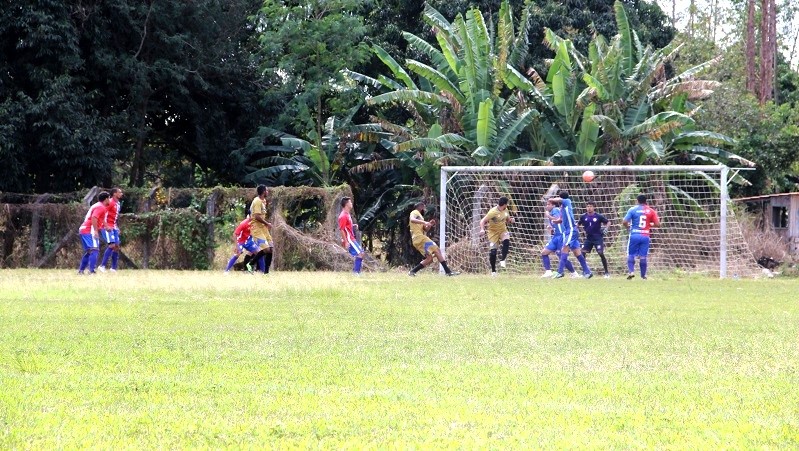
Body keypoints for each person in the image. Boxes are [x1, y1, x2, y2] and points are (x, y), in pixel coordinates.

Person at [407, 201, 459, 277]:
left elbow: (425, 229)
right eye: (424, 207)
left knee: (430, 258)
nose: (424, 209)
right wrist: (425, 222)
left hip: (417, 239)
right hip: (420, 238)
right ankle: (448, 272)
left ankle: (412, 272)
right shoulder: (414, 212)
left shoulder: (420, 217)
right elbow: (412, 219)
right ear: (421, 206)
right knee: (437, 250)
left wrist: (429, 224)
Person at [551, 190, 593, 279]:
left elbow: (557, 199)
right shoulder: (562, 208)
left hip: (571, 230)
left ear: (561, 197)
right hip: (568, 231)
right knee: (577, 253)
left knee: (564, 249)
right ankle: (588, 271)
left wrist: (550, 199)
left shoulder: (567, 201)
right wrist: (554, 221)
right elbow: (560, 220)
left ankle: (560, 272)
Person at [622, 194, 660, 280]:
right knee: (643, 256)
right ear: (646, 201)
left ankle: (631, 272)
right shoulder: (651, 211)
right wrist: (649, 225)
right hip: (645, 236)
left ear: (637, 201)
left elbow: (624, 221)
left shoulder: (632, 209)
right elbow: (658, 224)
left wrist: (628, 227)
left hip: (634, 235)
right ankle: (643, 276)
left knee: (631, 254)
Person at [541, 198, 576, 278]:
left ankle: (573, 273)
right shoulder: (552, 212)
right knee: (544, 252)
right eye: (547, 204)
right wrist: (551, 228)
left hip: (561, 236)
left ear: (553, 205)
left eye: (549, 204)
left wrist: (548, 216)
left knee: (561, 255)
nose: (547, 206)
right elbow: (557, 224)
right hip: (555, 236)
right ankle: (548, 271)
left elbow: (558, 219)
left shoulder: (556, 210)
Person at [77, 191, 111, 275]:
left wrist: (106, 226)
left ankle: (81, 271)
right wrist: (95, 230)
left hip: (83, 229)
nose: (110, 200)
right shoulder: (101, 207)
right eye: (109, 198)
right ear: (106, 199)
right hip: (90, 230)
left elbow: (100, 218)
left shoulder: (97, 205)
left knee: (89, 251)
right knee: (94, 250)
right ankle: (91, 271)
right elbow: (94, 217)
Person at [479, 196, 514, 276]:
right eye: (506, 204)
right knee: (493, 252)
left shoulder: (505, 210)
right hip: (493, 233)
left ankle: (503, 260)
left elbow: (508, 220)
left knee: (506, 240)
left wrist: (511, 220)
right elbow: (482, 221)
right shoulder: (492, 212)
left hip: (502, 231)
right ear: (504, 204)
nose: (507, 206)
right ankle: (493, 271)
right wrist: (482, 229)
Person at [578, 201, 611, 278]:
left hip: (598, 238)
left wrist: (606, 228)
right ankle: (585, 271)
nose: (589, 208)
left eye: (590, 206)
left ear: (594, 207)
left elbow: (608, 222)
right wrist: (576, 230)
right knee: (582, 253)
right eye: (588, 206)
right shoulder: (583, 217)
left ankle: (606, 273)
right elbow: (578, 225)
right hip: (588, 238)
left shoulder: (598, 216)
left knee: (600, 253)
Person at [98, 187, 124, 272]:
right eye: (119, 192)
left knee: (116, 246)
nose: (121, 194)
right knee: (112, 245)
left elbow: (114, 217)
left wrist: (116, 227)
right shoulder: (110, 202)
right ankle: (102, 266)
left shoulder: (118, 203)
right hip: (107, 227)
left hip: (113, 226)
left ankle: (113, 268)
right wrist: (106, 226)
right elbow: (103, 214)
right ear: (114, 194)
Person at [249, 185, 274, 274]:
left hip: (263, 228)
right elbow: (256, 216)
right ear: (263, 192)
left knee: (271, 248)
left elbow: (262, 215)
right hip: (256, 228)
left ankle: (266, 273)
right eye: (267, 191)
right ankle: (251, 264)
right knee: (266, 249)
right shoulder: (257, 201)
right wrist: (267, 223)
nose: (268, 192)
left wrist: (265, 224)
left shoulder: (263, 201)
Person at [338, 197, 365, 275]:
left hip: (351, 238)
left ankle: (356, 272)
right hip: (349, 239)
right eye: (350, 202)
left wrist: (353, 225)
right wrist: (346, 241)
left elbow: (346, 226)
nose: (351, 204)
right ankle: (356, 272)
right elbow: (342, 229)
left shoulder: (347, 214)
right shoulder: (343, 216)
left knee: (360, 253)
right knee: (360, 253)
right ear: (346, 204)